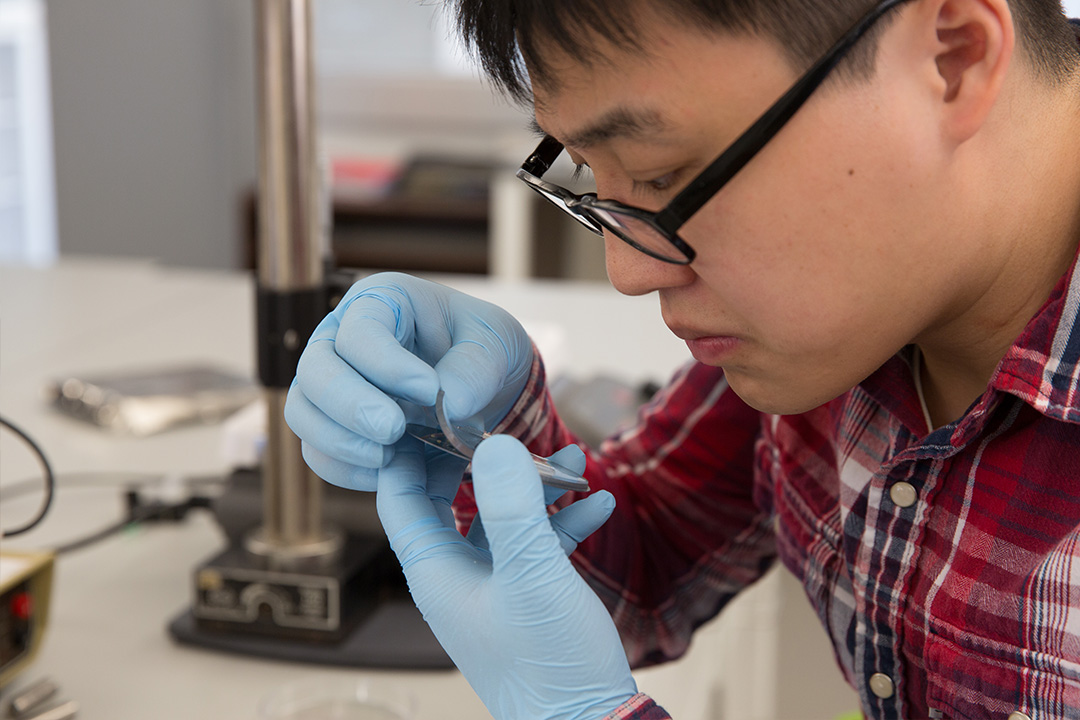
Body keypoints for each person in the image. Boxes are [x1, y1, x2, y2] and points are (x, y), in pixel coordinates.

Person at [284, 0, 1080, 717]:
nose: (629, 274)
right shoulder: (851, 312)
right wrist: (483, 435)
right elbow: (651, 559)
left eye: (663, 175)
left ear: (954, 57)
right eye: (595, 180)